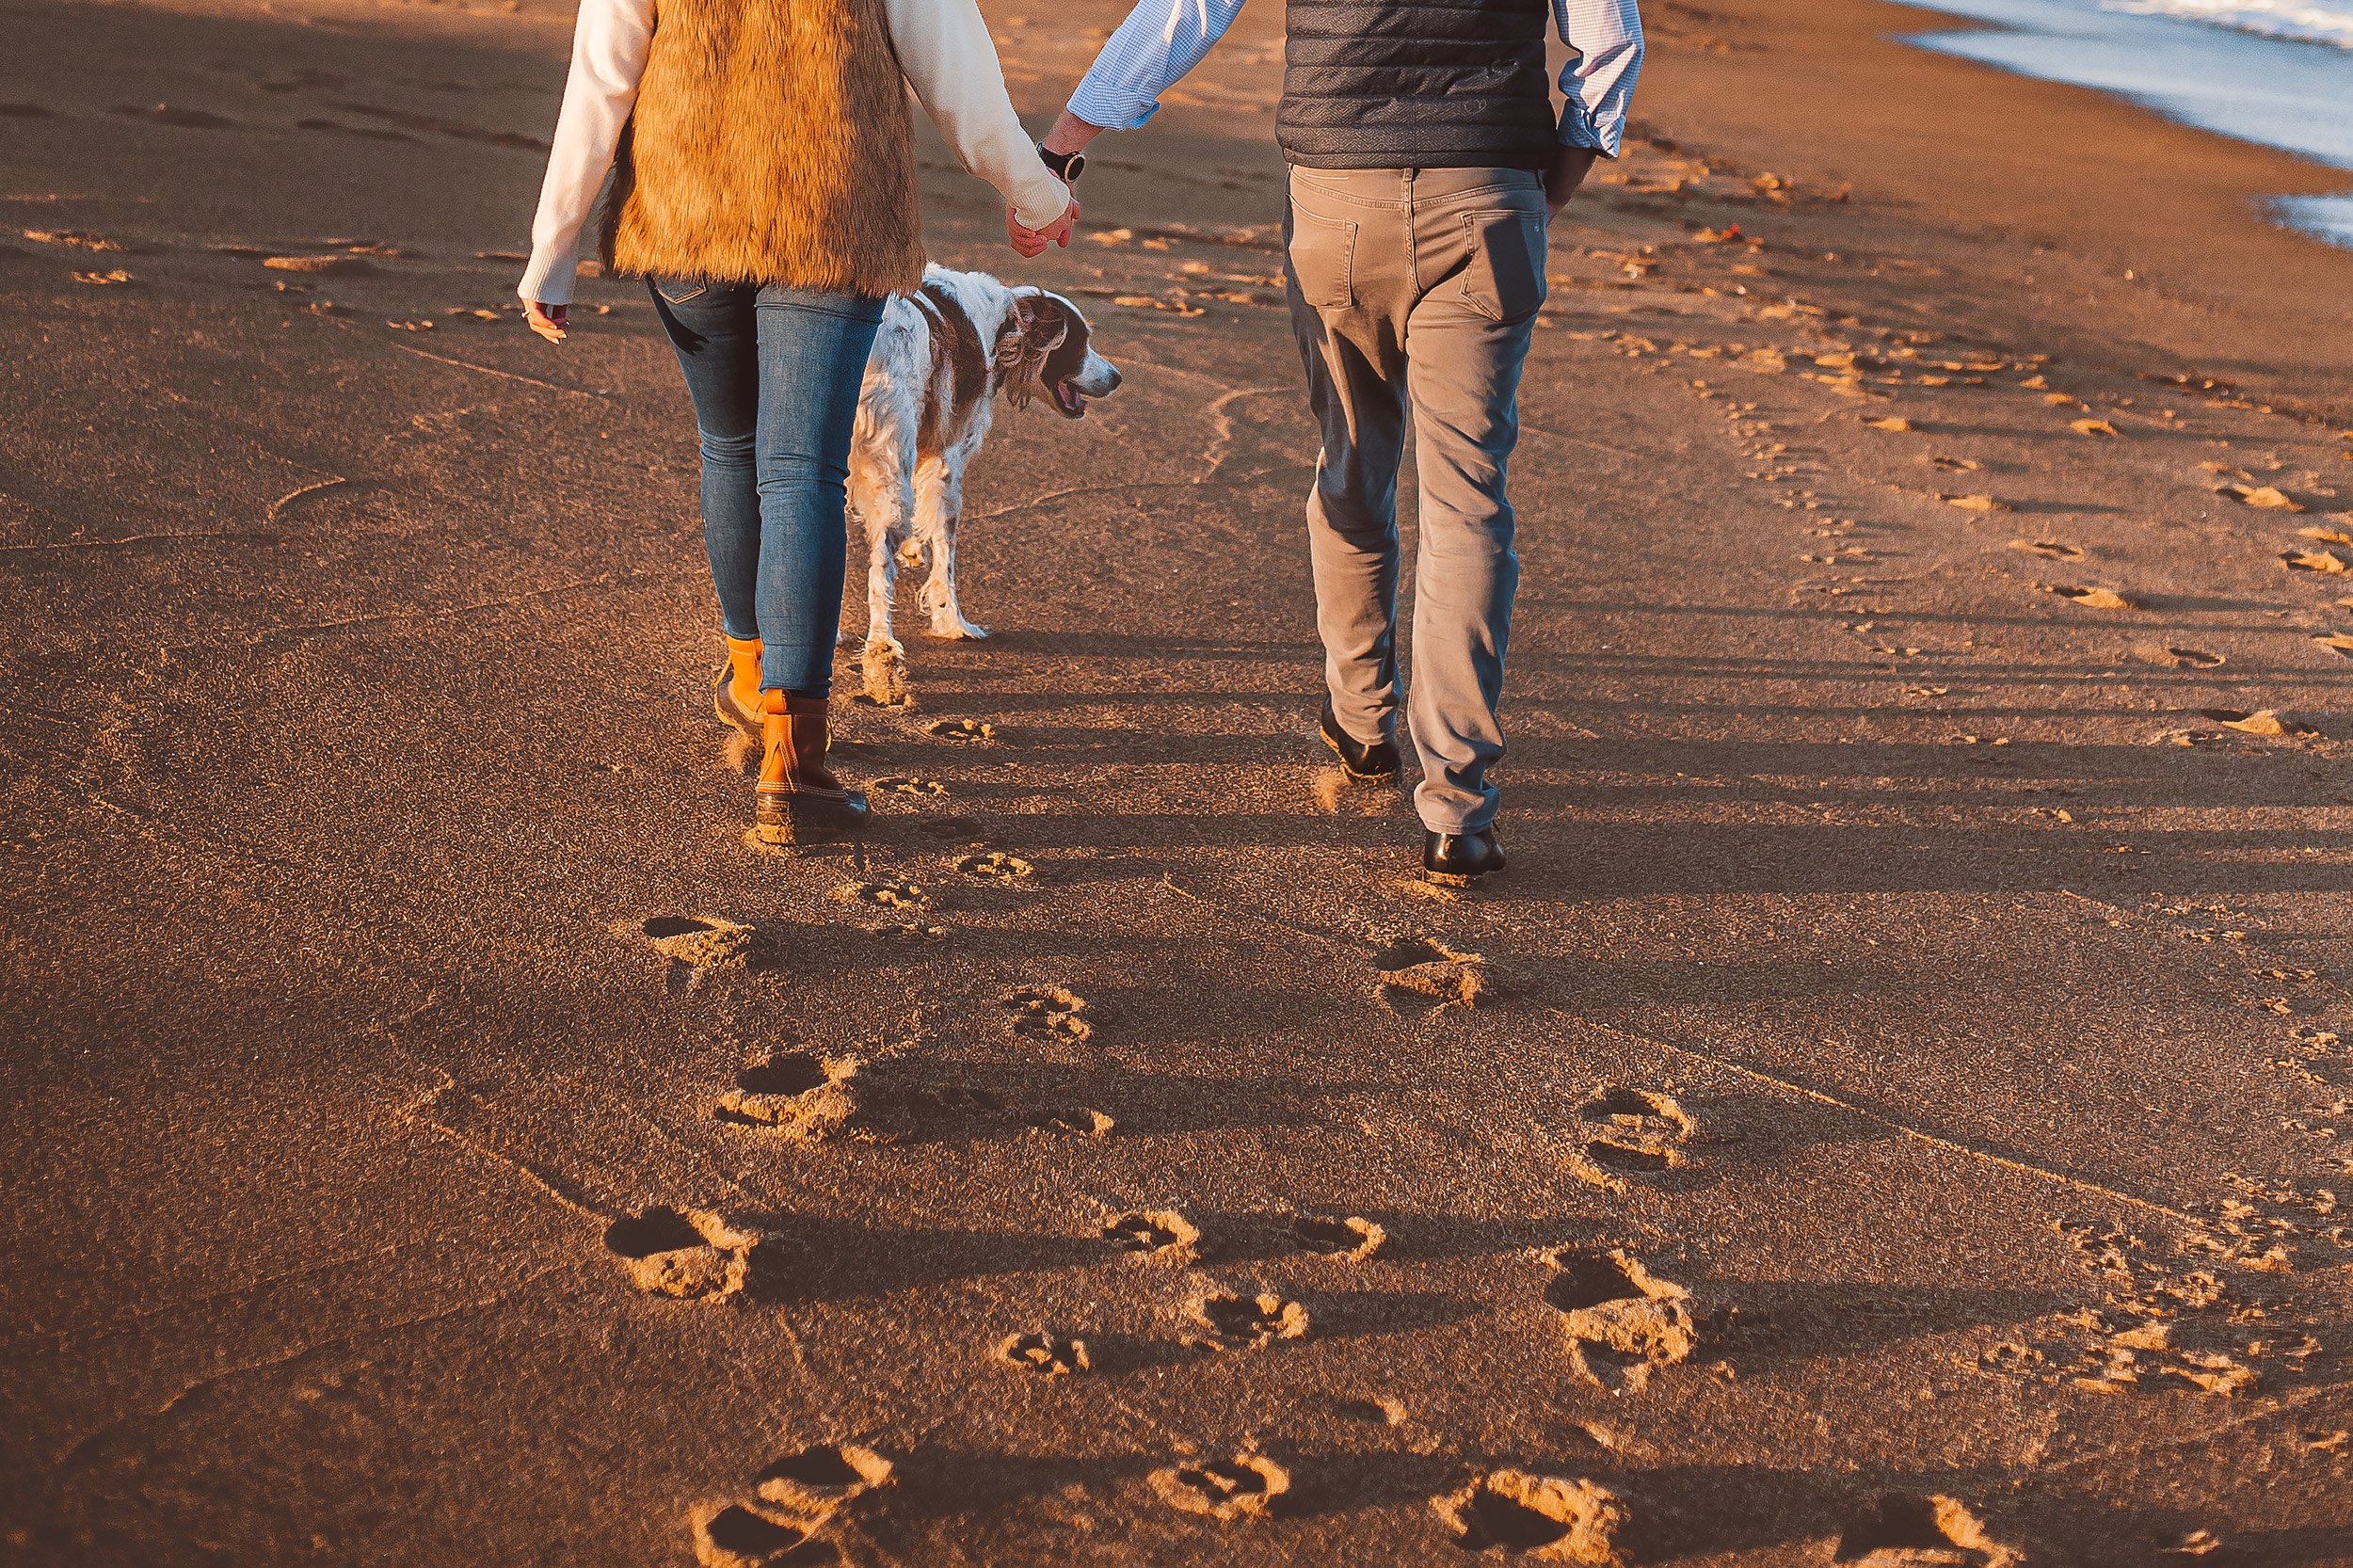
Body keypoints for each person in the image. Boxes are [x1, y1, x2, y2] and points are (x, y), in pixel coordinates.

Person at [1032, 0, 1641, 883]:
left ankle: (1362, 721)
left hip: (1336, 200)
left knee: (1354, 460)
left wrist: (1062, 144)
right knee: (1467, 503)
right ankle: (1458, 812)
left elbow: (1186, 11)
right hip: (1490, 193)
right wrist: (1561, 175)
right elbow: (1610, 42)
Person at [518, 0, 1079, 841]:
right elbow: (955, 73)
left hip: (687, 213)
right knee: (803, 475)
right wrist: (1034, 193)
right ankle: (795, 765)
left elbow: (602, 75)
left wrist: (551, 249)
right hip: (832, 212)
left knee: (731, 447)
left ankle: (749, 675)